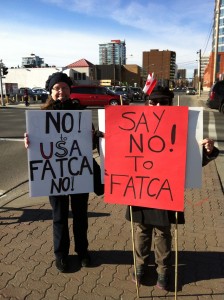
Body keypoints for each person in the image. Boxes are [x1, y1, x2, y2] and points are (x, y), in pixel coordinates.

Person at [125, 88, 219, 291]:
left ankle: (163, 270)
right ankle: (140, 266)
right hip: (141, 188)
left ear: (170, 103)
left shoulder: (182, 127)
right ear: (148, 103)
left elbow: (192, 162)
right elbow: (121, 151)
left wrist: (207, 151)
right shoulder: (135, 125)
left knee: (163, 232)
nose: (158, 106)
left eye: (163, 102)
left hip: (166, 190)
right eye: (154, 102)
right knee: (142, 229)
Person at [24, 72, 94, 273]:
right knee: (59, 216)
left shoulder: (81, 112)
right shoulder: (42, 116)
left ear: (70, 90)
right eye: (57, 88)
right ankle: (61, 255)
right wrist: (28, 142)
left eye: (64, 87)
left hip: (77, 172)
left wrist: (93, 136)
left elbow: (92, 143)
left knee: (81, 215)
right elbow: (36, 144)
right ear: (51, 92)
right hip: (55, 175)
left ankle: (83, 252)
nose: (61, 92)